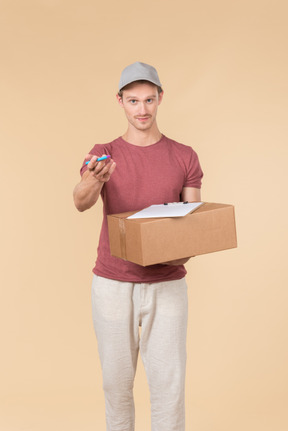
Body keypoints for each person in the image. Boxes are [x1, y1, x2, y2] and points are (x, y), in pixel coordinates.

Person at [73, 62, 203, 431]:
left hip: (168, 283)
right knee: (116, 385)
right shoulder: (104, 153)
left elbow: (192, 220)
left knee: (169, 386)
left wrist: (178, 249)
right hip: (113, 283)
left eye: (148, 100)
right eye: (133, 101)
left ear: (160, 99)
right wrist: (94, 180)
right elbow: (80, 202)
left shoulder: (184, 155)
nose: (142, 109)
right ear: (120, 102)